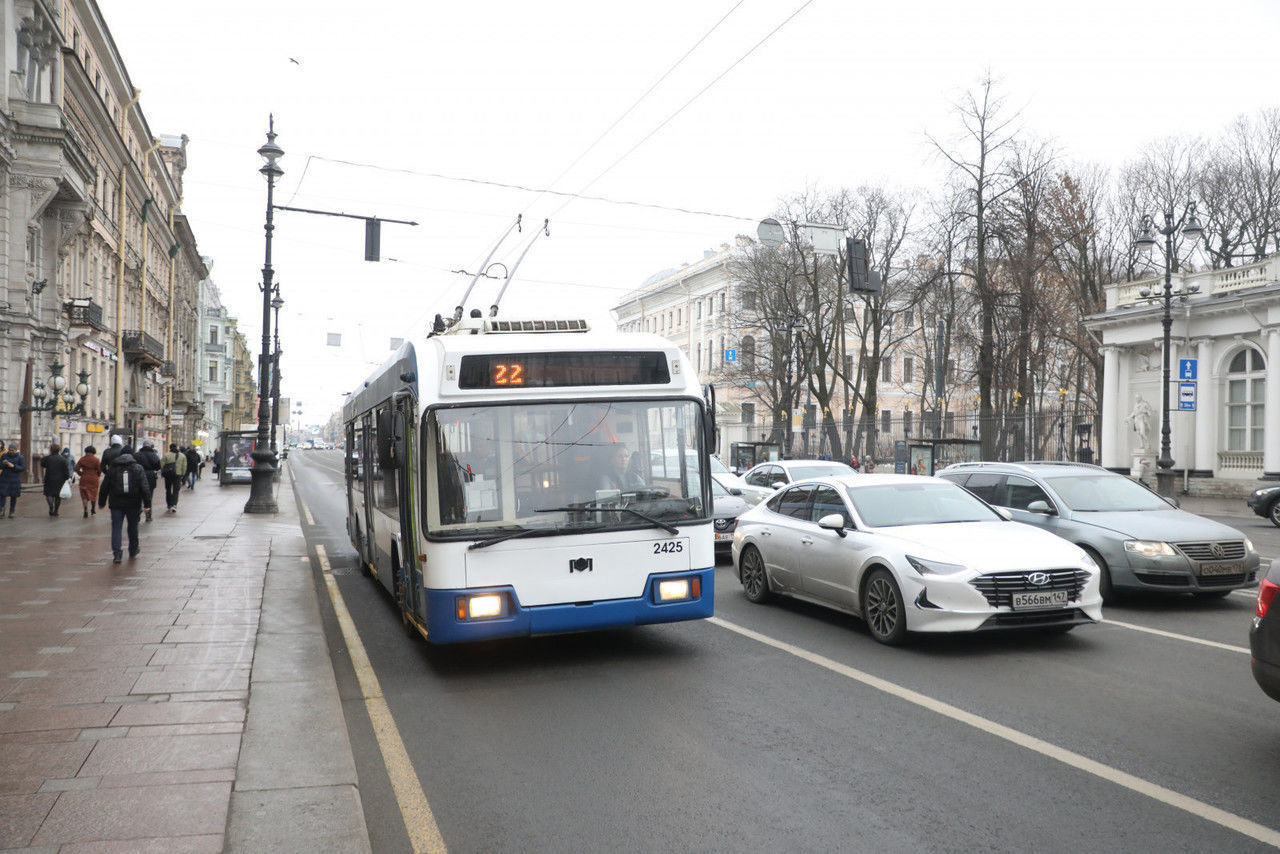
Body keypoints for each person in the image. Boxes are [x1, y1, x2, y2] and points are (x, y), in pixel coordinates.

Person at [98, 445, 149, 563]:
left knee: (116, 528)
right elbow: (144, 487)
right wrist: (147, 504)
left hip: (116, 503)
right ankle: (133, 549)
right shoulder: (138, 468)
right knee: (133, 527)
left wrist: (101, 502)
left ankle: (117, 553)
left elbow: (104, 486)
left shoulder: (112, 468)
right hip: (134, 503)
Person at [41, 442, 72, 517]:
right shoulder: (63, 459)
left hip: (49, 478)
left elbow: (42, 464)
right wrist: (67, 478)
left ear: (51, 450)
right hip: (60, 480)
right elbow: (66, 470)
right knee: (58, 495)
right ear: (59, 450)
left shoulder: (47, 458)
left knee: (49, 494)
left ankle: (51, 506)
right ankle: (56, 511)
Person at [135, 438, 162, 522]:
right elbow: (158, 466)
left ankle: (137, 513)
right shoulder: (154, 455)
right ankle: (148, 516)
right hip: (150, 477)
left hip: (138, 476)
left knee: (138, 496)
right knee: (149, 496)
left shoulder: (137, 455)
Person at [75, 446, 102, 518]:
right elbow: (99, 470)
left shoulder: (82, 459)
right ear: (94, 452)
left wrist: (81, 474)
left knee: (84, 495)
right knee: (94, 493)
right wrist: (97, 475)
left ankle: (85, 510)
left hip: (84, 478)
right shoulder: (96, 460)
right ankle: (93, 509)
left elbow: (76, 468)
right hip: (93, 478)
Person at [0, 441, 25, 519]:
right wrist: (3, 464)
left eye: (12, 450)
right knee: (2, 494)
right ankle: (1, 510)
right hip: (5, 478)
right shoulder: (4, 456)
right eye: (10, 450)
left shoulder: (20, 457)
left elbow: (22, 468)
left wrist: (13, 466)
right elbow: (0, 466)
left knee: (13, 496)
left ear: (15, 450)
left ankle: (12, 511)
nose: (11, 452)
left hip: (15, 479)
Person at [161, 443, 187, 512]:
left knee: (168, 490)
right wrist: (183, 474)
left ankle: (169, 504)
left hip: (168, 475)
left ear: (170, 448)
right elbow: (184, 466)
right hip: (177, 475)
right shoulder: (182, 456)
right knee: (176, 490)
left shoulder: (166, 455)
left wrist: (163, 472)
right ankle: (174, 505)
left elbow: (162, 465)